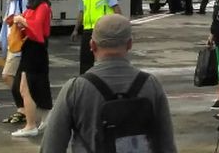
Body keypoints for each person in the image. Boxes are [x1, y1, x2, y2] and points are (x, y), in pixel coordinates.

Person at [40, 14, 176, 153]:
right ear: (129, 44)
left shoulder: (75, 88)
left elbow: (51, 146)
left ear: (92, 45)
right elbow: (167, 145)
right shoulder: (151, 85)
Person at [10, 0, 53, 138]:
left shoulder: (42, 7)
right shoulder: (33, 8)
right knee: (32, 87)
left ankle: (30, 125)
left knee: (26, 89)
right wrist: (19, 22)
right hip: (30, 50)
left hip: (36, 50)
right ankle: (41, 120)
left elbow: (38, 31)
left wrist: (22, 20)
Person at [0, 0, 28, 125]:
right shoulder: (10, 2)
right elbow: (5, 26)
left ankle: (23, 108)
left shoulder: (23, 0)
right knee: (18, 79)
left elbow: (28, 23)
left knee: (8, 75)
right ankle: (24, 107)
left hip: (19, 47)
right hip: (11, 46)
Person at [73, 0, 118, 74]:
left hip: (103, 29)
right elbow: (81, 11)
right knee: (85, 60)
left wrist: (120, 26)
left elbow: (115, 7)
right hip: (87, 29)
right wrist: (75, 29)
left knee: (105, 58)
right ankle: (85, 80)